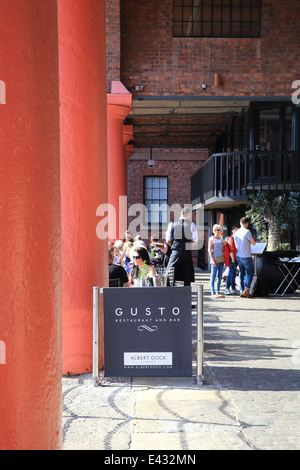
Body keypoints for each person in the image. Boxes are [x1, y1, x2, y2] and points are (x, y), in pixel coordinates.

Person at [165, 207, 198, 286]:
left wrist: (174, 246)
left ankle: (169, 290)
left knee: (170, 271)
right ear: (188, 214)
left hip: (175, 249)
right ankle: (186, 293)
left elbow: (168, 239)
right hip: (186, 251)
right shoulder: (192, 224)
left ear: (181, 213)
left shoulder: (172, 224)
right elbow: (195, 241)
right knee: (187, 273)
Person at [234, 217, 256, 298]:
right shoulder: (247, 232)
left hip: (238, 255)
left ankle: (241, 290)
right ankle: (246, 289)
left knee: (241, 272)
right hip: (246, 256)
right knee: (250, 272)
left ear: (240, 223)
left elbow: (236, 244)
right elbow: (253, 243)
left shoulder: (236, 232)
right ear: (247, 224)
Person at [208, 224, 227, 298]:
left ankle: (218, 291)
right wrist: (212, 260)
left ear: (220, 231)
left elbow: (223, 247)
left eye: (218, 230)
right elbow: (209, 250)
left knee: (220, 276)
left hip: (221, 259)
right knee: (213, 275)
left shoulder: (221, 238)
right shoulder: (212, 239)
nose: (216, 231)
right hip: (215, 260)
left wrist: (224, 242)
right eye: (215, 230)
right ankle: (213, 292)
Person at [224, 226, 239, 295]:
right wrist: (233, 259)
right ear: (232, 231)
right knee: (232, 274)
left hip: (235, 258)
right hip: (231, 258)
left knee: (231, 274)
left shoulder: (236, 238)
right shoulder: (231, 239)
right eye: (235, 230)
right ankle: (230, 288)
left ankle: (229, 288)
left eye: (238, 230)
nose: (237, 231)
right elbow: (230, 250)